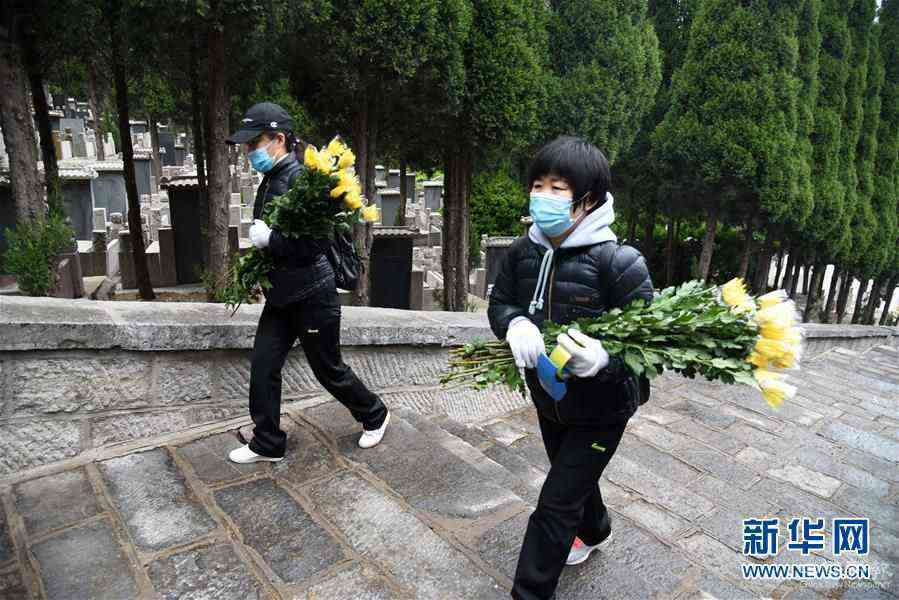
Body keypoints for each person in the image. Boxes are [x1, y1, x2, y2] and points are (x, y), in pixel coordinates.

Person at [487, 136, 654, 600]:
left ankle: (530, 592)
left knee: (555, 503)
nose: (542, 196)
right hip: (550, 399)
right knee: (572, 475)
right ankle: (596, 529)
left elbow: (647, 347)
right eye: (537, 185)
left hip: (603, 409)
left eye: (557, 188)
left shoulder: (620, 263)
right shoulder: (524, 252)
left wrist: (604, 359)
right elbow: (500, 301)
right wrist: (514, 323)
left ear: (589, 201)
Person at [225, 102, 390, 464]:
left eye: (255, 143)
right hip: (282, 296)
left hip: (313, 295)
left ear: (279, 139)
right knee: (264, 366)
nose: (249, 152)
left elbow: (314, 244)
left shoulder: (302, 180)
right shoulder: (272, 179)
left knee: (328, 370)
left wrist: (271, 240)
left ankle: (375, 413)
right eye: (248, 146)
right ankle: (268, 442)